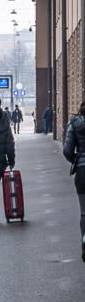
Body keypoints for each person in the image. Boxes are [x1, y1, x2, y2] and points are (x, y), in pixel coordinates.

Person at [62, 103, 85, 261]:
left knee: (84, 212)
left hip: (83, 170)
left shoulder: (75, 124)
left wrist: (75, 161)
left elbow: (67, 150)